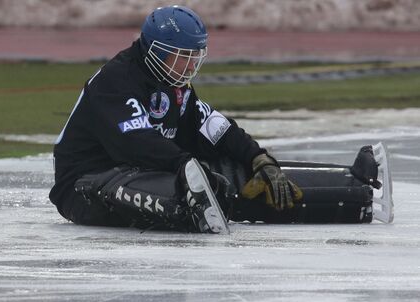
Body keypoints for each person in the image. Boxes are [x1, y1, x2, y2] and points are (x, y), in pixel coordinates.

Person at [49, 5, 389, 234]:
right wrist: (185, 164)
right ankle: (196, 205)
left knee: (242, 177)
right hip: (84, 185)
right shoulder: (115, 81)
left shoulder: (176, 85)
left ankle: (356, 191)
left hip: (153, 169)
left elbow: (217, 129)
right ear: (154, 50)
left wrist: (260, 160)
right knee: (191, 181)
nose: (188, 67)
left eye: (194, 58)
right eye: (180, 58)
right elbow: (136, 143)